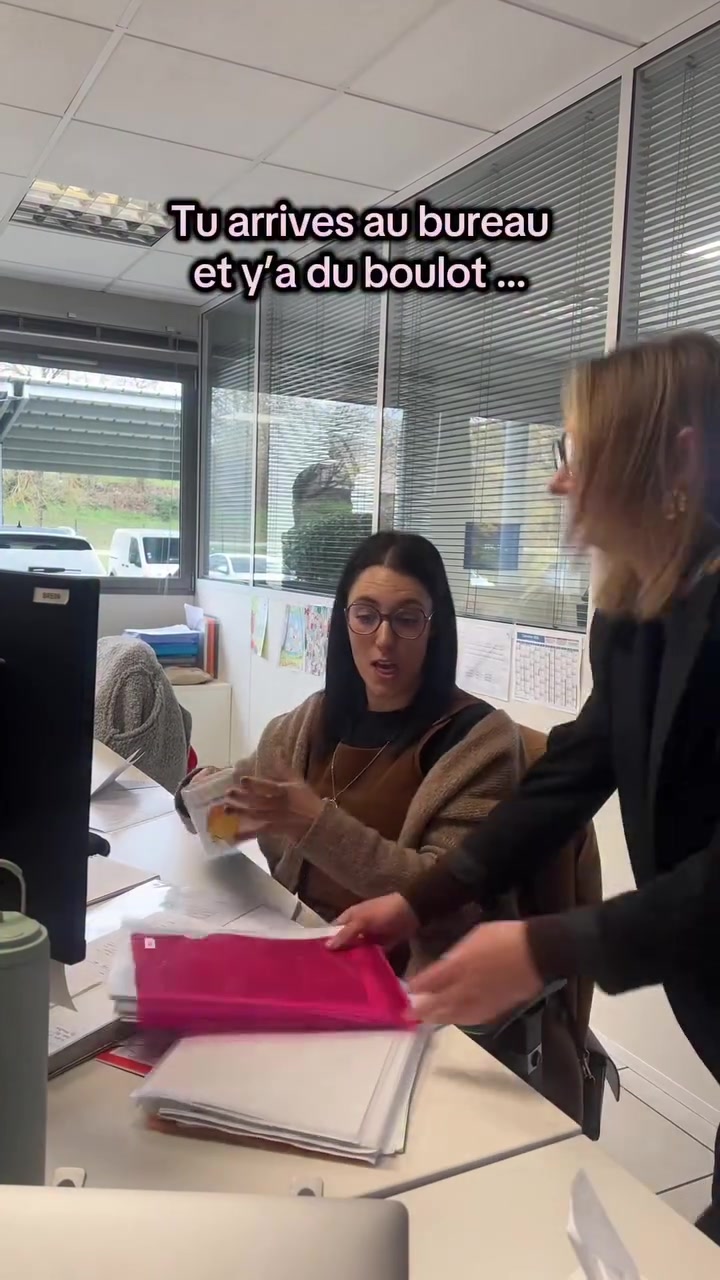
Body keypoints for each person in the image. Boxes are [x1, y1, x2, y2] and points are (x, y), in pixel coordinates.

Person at [330, 331, 720, 1246]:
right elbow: (572, 773)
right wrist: (420, 899)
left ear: (679, 459)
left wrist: (546, 945)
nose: (558, 481)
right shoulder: (637, 614)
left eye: (582, 454)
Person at [176, 531, 524, 959]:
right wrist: (203, 802)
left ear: (434, 628)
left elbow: (453, 903)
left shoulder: (480, 742)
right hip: (298, 946)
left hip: (404, 978)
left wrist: (312, 823)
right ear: (344, 621)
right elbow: (226, 821)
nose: (384, 639)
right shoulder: (310, 722)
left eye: (407, 619)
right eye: (366, 615)